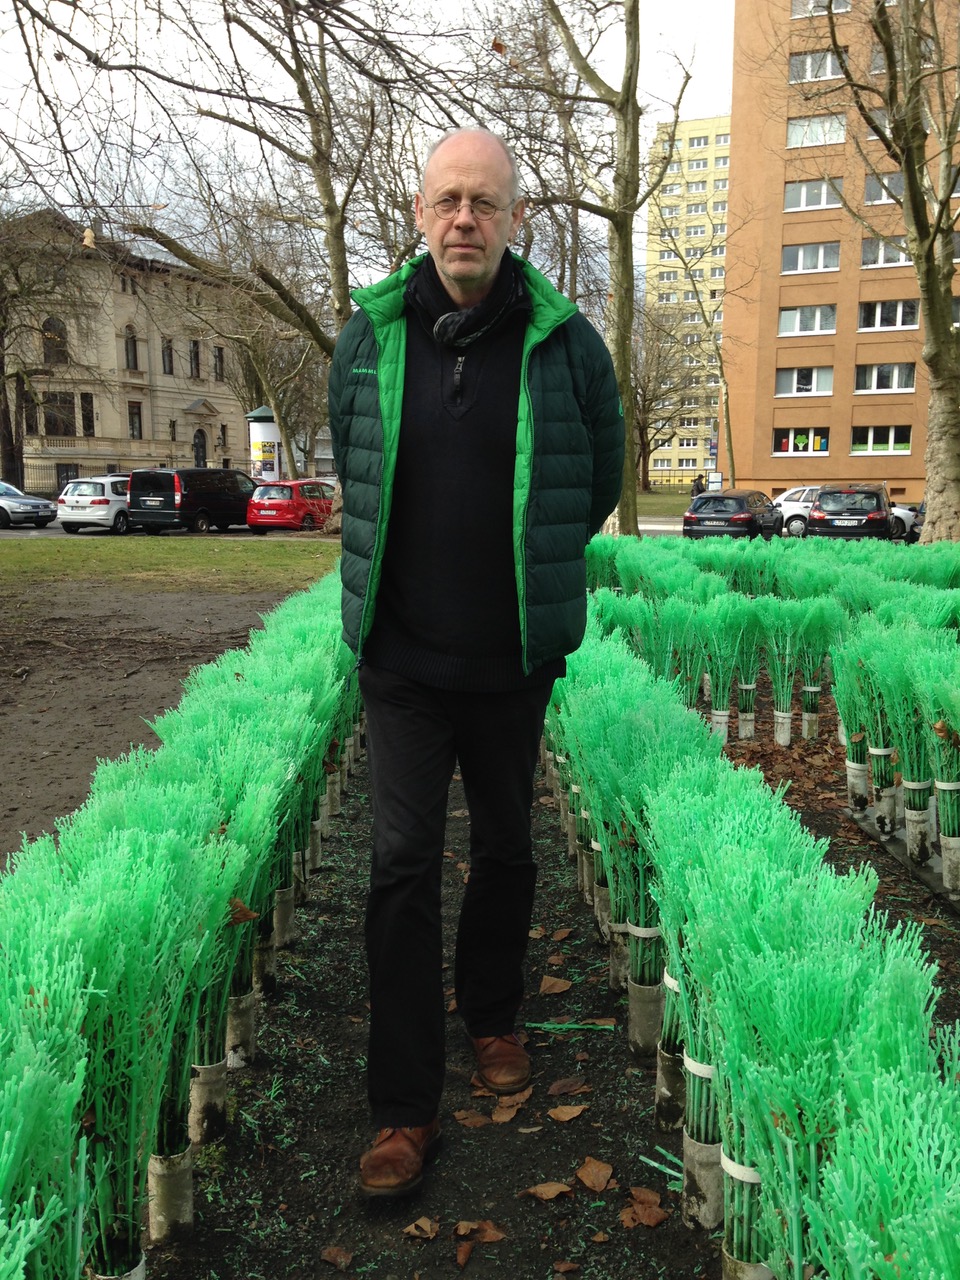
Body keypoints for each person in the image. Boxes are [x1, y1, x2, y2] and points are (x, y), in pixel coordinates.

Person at [328, 127, 624, 1199]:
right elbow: (357, 469)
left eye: (485, 203)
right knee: (401, 866)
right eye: (448, 199)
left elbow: (595, 472)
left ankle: (492, 1015)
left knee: (506, 847)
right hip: (402, 660)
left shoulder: (567, 343)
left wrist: (529, 569)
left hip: (510, 660)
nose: (465, 219)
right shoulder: (366, 337)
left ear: (515, 220)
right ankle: (404, 1106)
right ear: (418, 211)